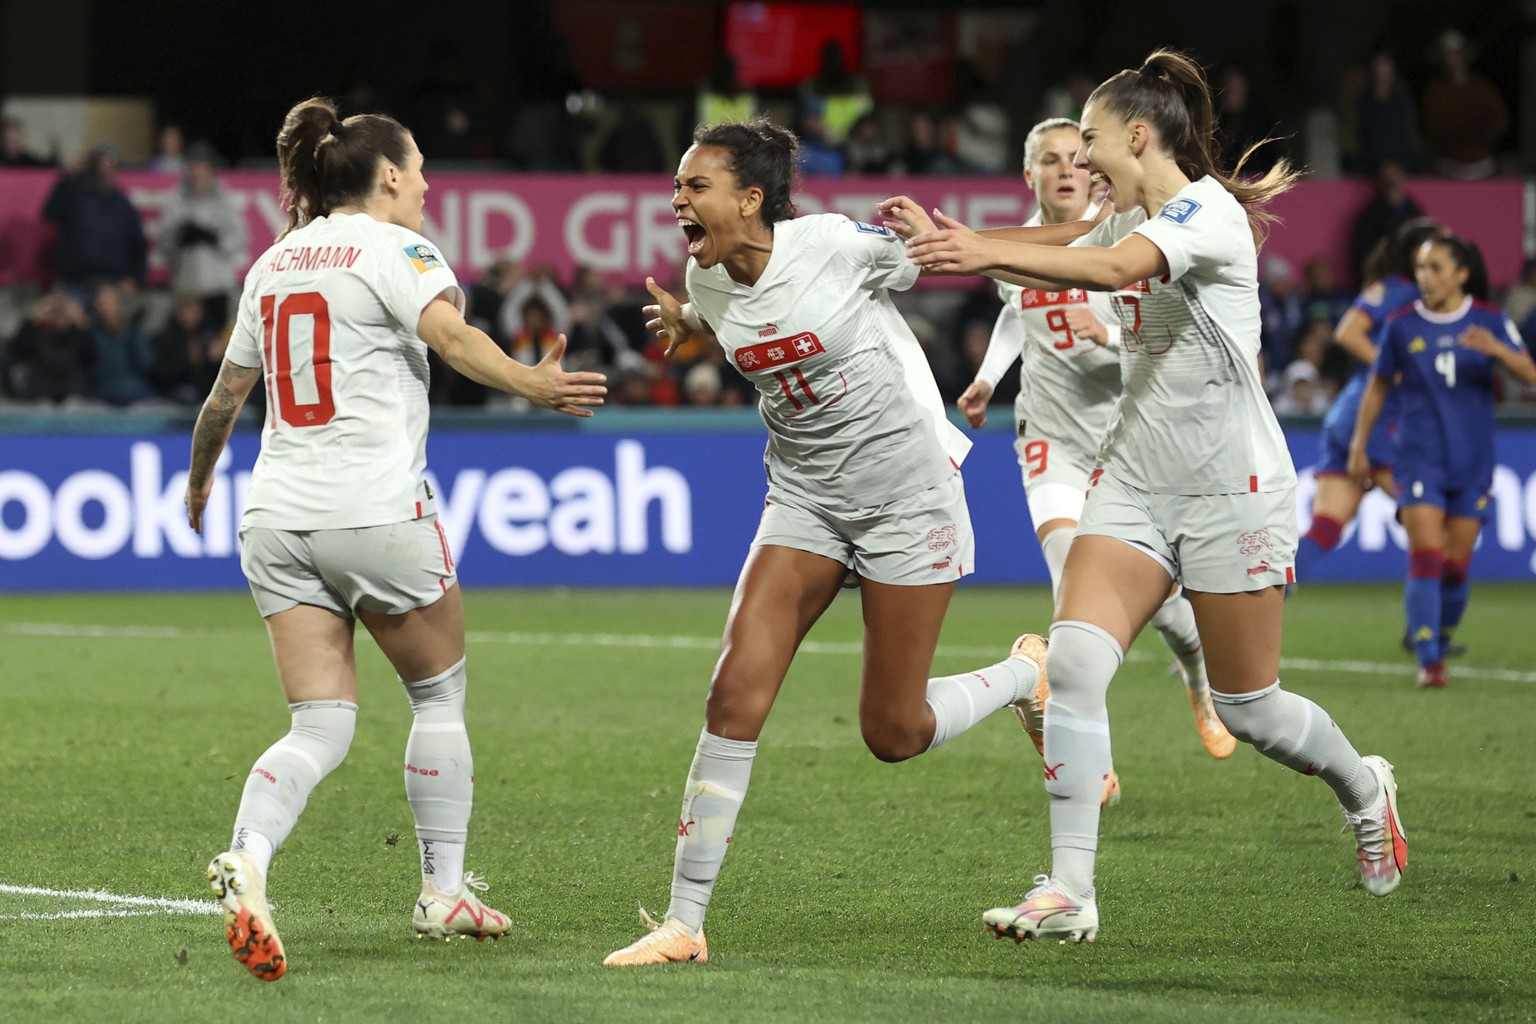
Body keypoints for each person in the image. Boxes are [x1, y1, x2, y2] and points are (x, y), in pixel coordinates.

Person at [889, 49, 1407, 943]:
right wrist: (961, 251)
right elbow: (1063, 244)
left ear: (1137, 135)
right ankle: (1070, 891)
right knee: (1079, 666)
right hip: (1129, 479)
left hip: (1230, 489)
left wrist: (980, 252)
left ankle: (1366, 787)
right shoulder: (1126, 214)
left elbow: (1114, 268)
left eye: (1089, 140)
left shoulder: (1203, 215)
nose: (1080, 159)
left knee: (1252, 709)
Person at [602, 117, 1101, 968]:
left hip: (908, 499)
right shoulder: (706, 275)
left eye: (695, 186)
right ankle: (684, 924)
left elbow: (961, 255)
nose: (676, 198)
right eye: (678, 186)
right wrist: (690, 322)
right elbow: (739, 319)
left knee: (894, 732)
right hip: (803, 499)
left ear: (750, 199)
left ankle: (1028, 673)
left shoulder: (834, 245)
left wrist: (1094, 240)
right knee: (734, 695)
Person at [185, 96, 606, 982]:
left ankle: (250, 859)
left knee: (320, 723)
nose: (426, 185)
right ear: (385, 177)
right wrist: (531, 385)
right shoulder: (400, 249)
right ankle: (441, 890)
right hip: (375, 511)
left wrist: (197, 488)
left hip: (276, 519)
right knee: (438, 698)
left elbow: (224, 399)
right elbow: (451, 338)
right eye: (417, 171)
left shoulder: (274, 262)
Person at [956, 117, 1234, 761]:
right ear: (1029, 175)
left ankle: (1200, 682)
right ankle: (1088, 759)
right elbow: (1016, 311)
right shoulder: (1015, 250)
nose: (1064, 170)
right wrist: (987, 378)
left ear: (1095, 170)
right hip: (1049, 439)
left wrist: (1106, 333)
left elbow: (1162, 346)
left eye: (1076, 160)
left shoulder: (1132, 246)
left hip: (1123, 444)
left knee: (1161, 604)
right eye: (1049, 160)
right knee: (1072, 590)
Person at [1349, 236, 1535, 688]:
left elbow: (1529, 373)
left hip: (1472, 461)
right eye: (1420, 268)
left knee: (1456, 566)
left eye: (1434, 267)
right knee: (1427, 556)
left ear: (1461, 274)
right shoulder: (1400, 325)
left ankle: (1438, 635)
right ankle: (1430, 661)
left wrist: (1497, 352)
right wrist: (1359, 445)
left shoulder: (1490, 320)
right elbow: (1377, 387)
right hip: (1418, 458)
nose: (1424, 277)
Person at [1295, 220, 1445, 596]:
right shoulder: (1401, 291)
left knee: (1325, 528)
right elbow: (1347, 332)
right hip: (1374, 418)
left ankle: (1224, 630)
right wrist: (1392, 369)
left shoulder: (1412, 294)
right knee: (1431, 519)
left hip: (1349, 415)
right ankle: (1425, 630)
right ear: (1417, 254)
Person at [156, 139, 248, 330]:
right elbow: (164, 241)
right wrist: (179, 238)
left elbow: (239, 239)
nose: (196, 172)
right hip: (186, 285)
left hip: (217, 285)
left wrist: (212, 238)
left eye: (201, 166)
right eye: (192, 166)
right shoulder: (177, 199)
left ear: (210, 169)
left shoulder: (224, 199)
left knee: (216, 346)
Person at [41, 143, 147, 303]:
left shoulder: (123, 205)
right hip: (77, 284)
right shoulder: (75, 195)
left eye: (110, 166)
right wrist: (66, 177)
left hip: (114, 285)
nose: (105, 171)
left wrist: (134, 278)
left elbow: (138, 245)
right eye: (100, 166)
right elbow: (49, 213)